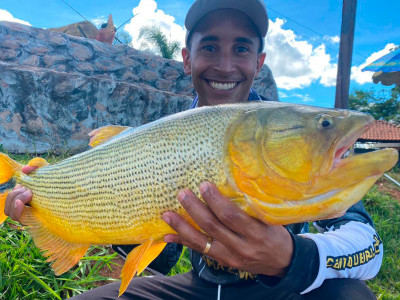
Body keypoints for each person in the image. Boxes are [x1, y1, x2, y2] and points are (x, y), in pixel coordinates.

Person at [5, 1, 381, 299]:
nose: (225, 64)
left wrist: (293, 258)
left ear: (258, 62)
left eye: (242, 48)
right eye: (211, 47)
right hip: (198, 288)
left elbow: (369, 245)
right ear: (187, 58)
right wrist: (43, 205)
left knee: (350, 294)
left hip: (283, 291)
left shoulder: (286, 131)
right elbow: (164, 257)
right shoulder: (166, 135)